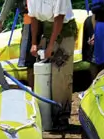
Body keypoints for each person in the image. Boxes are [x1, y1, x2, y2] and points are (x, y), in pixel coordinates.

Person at [28, 0, 76, 131]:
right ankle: (46, 114)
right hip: (47, 30)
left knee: (61, 74)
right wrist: (33, 42)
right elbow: (32, 18)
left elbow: (59, 18)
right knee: (44, 72)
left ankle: (62, 117)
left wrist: (51, 45)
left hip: (64, 31)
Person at [0, 0, 36, 87]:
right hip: (33, 19)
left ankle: (34, 91)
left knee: (30, 60)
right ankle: (35, 90)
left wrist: (0, 22)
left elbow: (8, 4)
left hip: (32, 19)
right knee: (30, 60)